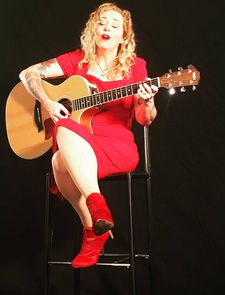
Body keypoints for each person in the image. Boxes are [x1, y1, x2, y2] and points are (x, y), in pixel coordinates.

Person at [19, 2, 158, 268]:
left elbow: (144, 120)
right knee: (59, 152)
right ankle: (95, 224)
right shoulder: (77, 61)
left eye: (115, 25)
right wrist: (47, 103)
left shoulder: (136, 68)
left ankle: (93, 225)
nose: (107, 27)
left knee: (60, 152)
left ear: (124, 36)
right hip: (77, 143)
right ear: (93, 28)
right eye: (102, 22)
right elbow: (28, 74)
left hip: (117, 146)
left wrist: (147, 102)